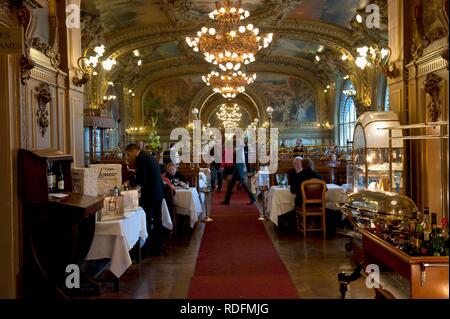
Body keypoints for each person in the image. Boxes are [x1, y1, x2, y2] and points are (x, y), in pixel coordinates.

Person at [125, 143, 165, 255]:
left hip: (151, 194)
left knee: (145, 219)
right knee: (157, 220)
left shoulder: (140, 158)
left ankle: (145, 248)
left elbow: (142, 177)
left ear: (134, 151)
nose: (128, 157)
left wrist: (130, 183)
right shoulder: (146, 156)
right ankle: (158, 246)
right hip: (158, 192)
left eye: (128, 154)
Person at [222, 138, 256, 205]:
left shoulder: (238, 150)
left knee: (244, 185)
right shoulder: (237, 149)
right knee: (231, 185)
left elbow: (239, 160)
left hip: (237, 169)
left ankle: (253, 198)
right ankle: (227, 200)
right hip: (236, 169)